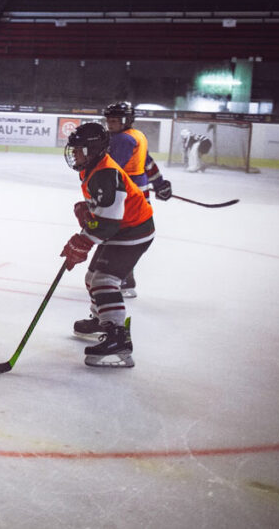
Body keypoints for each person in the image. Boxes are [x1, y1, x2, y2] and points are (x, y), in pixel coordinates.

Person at [60, 122, 155, 368]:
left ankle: (118, 338)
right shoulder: (91, 167)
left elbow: (109, 223)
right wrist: (89, 210)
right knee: (92, 277)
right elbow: (105, 212)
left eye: (79, 149)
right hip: (122, 228)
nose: (74, 154)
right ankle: (103, 320)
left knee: (104, 280)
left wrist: (83, 241)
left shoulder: (105, 173)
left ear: (92, 150)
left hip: (133, 230)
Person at [103, 101, 170, 298]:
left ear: (126, 120)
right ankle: (121, 276)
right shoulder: (137, 135)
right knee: (125, 235)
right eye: (109, 120)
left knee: (120, 235)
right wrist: (160, 184)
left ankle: (122, 278)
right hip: (140, 193)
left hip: (126, 195)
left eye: (115, 121)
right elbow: (148, 163)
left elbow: (112, 169)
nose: (110, 124)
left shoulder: (122, 139)